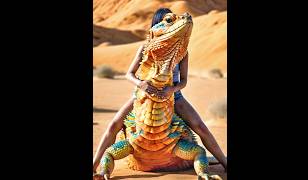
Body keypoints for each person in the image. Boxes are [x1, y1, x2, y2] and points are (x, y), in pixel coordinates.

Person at [93, 8, 227, 174]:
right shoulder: (145, 48)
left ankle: (224, 162)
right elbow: (129, 74)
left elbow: (183, 80)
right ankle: (95, 164)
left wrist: (172, 89)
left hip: (174, 96)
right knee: (114, 125)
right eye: (170, 21)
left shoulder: (182, 52)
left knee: (200, 127)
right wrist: (140, 84)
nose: (180, 21)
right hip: (143, 95)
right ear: (157, 26)